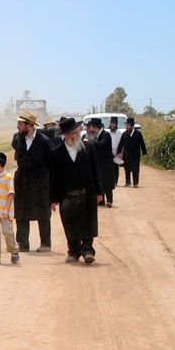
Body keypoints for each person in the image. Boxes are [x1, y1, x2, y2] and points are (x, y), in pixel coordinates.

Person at [49, 117, 104, 263]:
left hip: (87, 193)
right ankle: (73, 251)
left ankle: (87, 250)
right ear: (65, 135)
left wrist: (99, 192)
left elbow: (95, 171)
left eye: (77, 132)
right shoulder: (56, 153)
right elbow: (53, 178)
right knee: (70, 224)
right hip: (67, 196)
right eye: (72, 134)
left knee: (88, 222)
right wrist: (53, 199)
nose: (76, 136)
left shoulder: (89, 148)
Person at [12, 111, 53, 252]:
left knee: (43, 211)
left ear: (29, 125)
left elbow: (50, 164)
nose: (18, 126)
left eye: (20, 124)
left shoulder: (44, 141)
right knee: (21, 212)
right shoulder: (17, 139)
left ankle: (45, 244)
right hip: (22, 180)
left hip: (39, 181)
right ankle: (23, 244)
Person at [86, 118, 117, 207]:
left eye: (92, 127)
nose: (91, 130)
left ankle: (109, 201)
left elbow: (101, 145)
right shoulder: (97, 135)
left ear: (95, 127)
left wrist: (90, 142)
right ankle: (101, 201)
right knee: (100, 182)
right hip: (99, 163)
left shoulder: (106, 135)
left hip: (106, 163)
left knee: (107, 182)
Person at [119, 117, 148, 187]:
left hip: (135, 154)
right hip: (127, 154)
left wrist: (144, 153)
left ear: (132, 126)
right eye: (126, 125)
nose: (127, 126)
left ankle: (135, 183)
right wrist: (119, 152)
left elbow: (142, 143)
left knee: (135, 169)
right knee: (127, 169)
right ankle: (128, 182)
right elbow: (120, 144)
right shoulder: (124, 134)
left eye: (128, 125)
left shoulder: (138, 134)